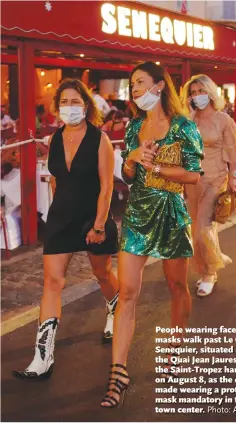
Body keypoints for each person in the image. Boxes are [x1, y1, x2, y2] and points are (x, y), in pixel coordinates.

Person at [100, 61, 204, 408]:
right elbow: (128, 178)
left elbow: (193, 176)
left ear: (160, 86)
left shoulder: (183, 127)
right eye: (132, 85)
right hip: (137, 216)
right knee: (128, 292)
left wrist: (155, 165)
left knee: (177, 287)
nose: (135, 90)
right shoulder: (133, 128)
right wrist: (130, 160)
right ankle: (119, 373)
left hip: (171, 215)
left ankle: (175, 350)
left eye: (140, 83)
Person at [13, 79, 119, 380]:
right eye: (64, 102)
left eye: (75, 101)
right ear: (57, 107)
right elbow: (57, 178)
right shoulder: (54, 138)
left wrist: (99, 224)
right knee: (52, 282)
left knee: (101, 273)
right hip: (62, 217)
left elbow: (107, 185)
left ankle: (114, 308)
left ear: (86, 105)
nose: (69, 107)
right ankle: (42, 357)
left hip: (92, 215)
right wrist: (57, 212)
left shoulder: (100, 139)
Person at [180, 74, 236, 297]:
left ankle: (210, 273)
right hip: (193, 181)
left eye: (200, 91)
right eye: (193, 92)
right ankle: (211, 259)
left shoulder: (223, 120)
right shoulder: (189, 120)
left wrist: (232, 176)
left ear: (210, 92)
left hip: (216, 179)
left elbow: (232, 149)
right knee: (195, 229)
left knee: (202, 229)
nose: (197, 96)